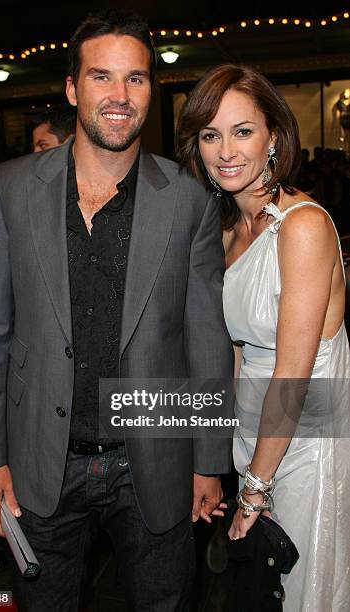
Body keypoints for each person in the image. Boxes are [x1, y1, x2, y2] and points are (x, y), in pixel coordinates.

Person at [0, 10, 233, 612]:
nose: (119, 95)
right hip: (40, 460)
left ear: (150, 91)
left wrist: (210, 460)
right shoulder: (9, 189)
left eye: (135, 79)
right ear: (71, 88)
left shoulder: (189, 198)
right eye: (102, 77)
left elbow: (206, 339)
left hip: (155, 462)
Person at [177, 64, 350, 611]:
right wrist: (217, 456)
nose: (225, 150)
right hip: (257, 433)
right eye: (210, 135)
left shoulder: (302, 227)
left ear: (274, 136)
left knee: (303, 589)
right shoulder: (228, 229)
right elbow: (230, 353)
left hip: (306, 437)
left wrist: (258, 485)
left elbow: (294, 372)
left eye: (242, 131)